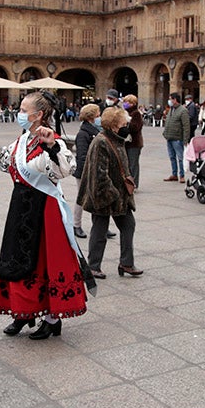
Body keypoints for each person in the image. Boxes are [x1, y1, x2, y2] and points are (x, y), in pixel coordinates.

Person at [0, 91, 94, 340]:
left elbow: (67, 168)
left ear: (38, 114)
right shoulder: (21, 141)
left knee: (45, 262)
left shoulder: (51, 140)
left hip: (45, 209)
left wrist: (52, 146)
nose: (19, 113)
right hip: (20, 207)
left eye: (23, 109)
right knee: (17, 258)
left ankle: (52, 319)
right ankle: (24, 313)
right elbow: (5, 164)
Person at [78, 106, 142, 279]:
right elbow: (99, 175)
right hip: (104, 196)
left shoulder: (117, 139)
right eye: (123, 123)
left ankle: (126, 263)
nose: (126, 126)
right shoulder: (102, 142)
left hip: (119, 196)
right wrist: (113, 194)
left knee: (128, 225)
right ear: (114, 126)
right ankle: (93, 267)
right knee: (100, 231)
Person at [70, 103, 102, 239]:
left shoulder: (94, 131)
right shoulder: (83, 134)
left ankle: (101, 226)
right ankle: (76, 225)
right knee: (82, 198)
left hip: (95, 169)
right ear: (91, 117)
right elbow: (81, 156)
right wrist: (86, 174)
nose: (99, 116)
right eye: (97, 113)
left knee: (98, 198)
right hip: (85, 171)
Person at [162, 92, 190, 182]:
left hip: (178, 138)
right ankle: (174, 174)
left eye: (171, 99)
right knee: (172, 157)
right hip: (169, 137)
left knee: (180, 157)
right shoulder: (171, 109)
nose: (169, 101)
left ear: (175, 100)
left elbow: (186, 126)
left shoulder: (183, 110)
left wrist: (185, 139)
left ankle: (181, 175)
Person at [122, 93, 144, 189]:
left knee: (133, 164)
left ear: (132, 103)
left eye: (127, 102)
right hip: (126, 143)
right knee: (126, 164)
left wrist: (126, 123)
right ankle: (128, 182)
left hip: (134, 143)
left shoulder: (136, 114)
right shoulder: (124, 112)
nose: (125, 104)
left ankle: (134, 184)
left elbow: (135, 128)